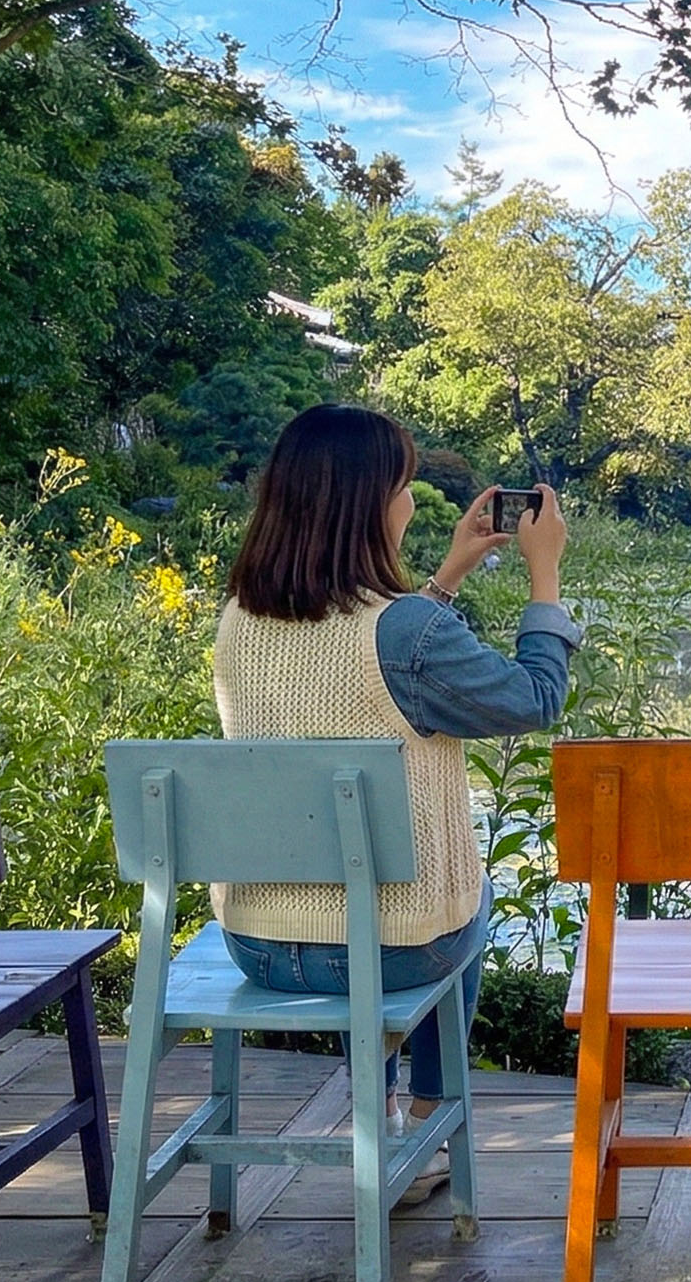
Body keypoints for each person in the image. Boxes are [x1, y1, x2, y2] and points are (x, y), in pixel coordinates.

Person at [210, 403, 580, 1202]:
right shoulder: (404, 632)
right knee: (465, 895)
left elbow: (364, 659)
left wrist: (446, 579)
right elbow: (534, 697)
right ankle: (423, 1114)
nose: (411, 500)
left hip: (256, 942)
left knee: (368, 898)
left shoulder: (237, 620)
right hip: (385, 952)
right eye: (403, 484)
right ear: (371, 503)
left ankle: (375, 1113)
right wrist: (544, 576)